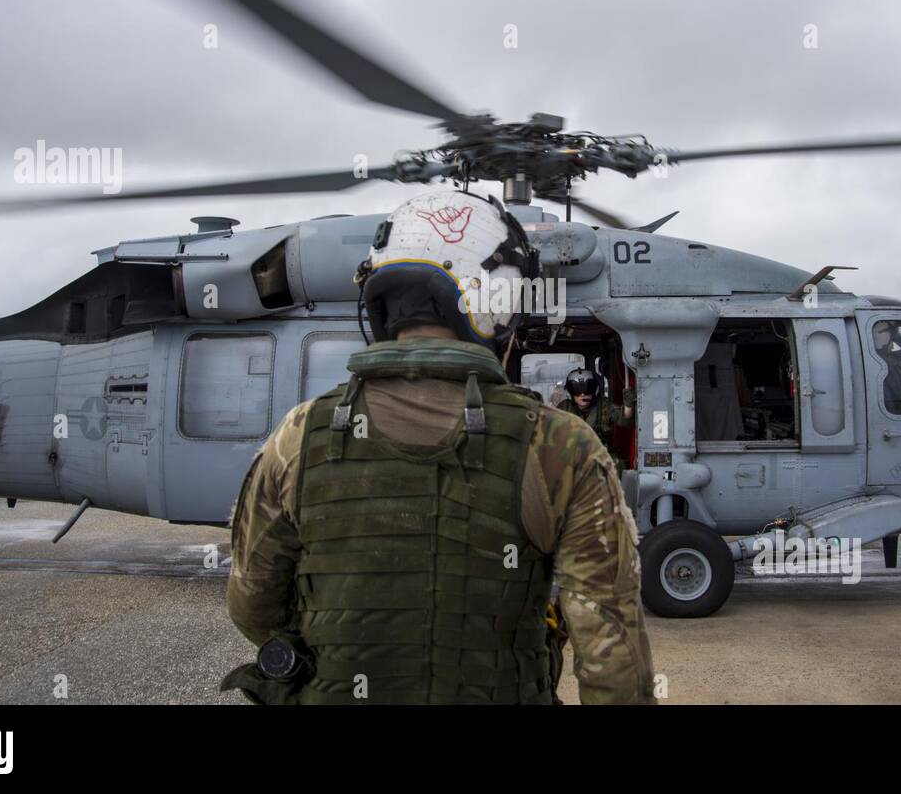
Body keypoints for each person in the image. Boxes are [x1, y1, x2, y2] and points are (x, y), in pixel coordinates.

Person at [225, 189, 656, 705]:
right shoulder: (560, 444)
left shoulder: (299, 433)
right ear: (498, 302)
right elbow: (613, 662)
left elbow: (254, 607)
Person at [560, 367, 635, 470]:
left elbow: (624, 418)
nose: (583, 394)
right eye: (577, 389)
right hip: (571, 455)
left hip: (600, 455)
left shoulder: (603, 406)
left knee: (617, 465)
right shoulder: (564, 408)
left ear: (594, 389)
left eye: (588, 388)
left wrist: (628, 405)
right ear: (570, 392)